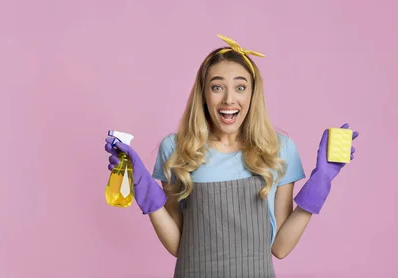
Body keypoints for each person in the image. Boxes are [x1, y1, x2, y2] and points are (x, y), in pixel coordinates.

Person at [104, 34, 359, 277]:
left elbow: (280, 248)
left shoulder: (278, 149)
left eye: (240, 87)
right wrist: (146, 193)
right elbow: (178, 247)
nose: (229, 99)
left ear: (252, 94)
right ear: (204, 95)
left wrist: (320, 183)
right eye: (217, 87)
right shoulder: (177, 149)